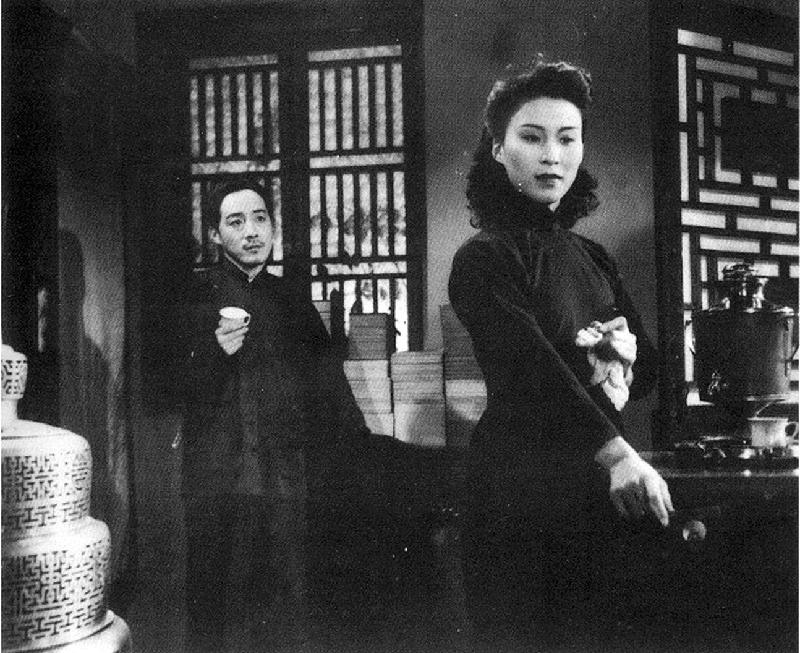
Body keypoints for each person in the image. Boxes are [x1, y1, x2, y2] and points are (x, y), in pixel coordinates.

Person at [448, 60, 674, 649]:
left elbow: (650, 373)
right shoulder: (483, 258)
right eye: (532, 137)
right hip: (517, 491)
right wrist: (620, 454)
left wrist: (624, 354)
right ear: (498, 149)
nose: (552, 155)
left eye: (567, 139)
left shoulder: (594, 256)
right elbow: (531, 374)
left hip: (599, 488)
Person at [176, 178, 368, 653]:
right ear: (215, 234)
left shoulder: (292, 300)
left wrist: (359, 446)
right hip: (218, 476)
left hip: (285, 476)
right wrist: (214, 352)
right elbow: (169, 389)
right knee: (215, 608)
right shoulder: (195, 299)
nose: (252, 231)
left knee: (288, 602)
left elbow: (330, 385)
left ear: (273, 226)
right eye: (236, 221)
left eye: (260, 218)